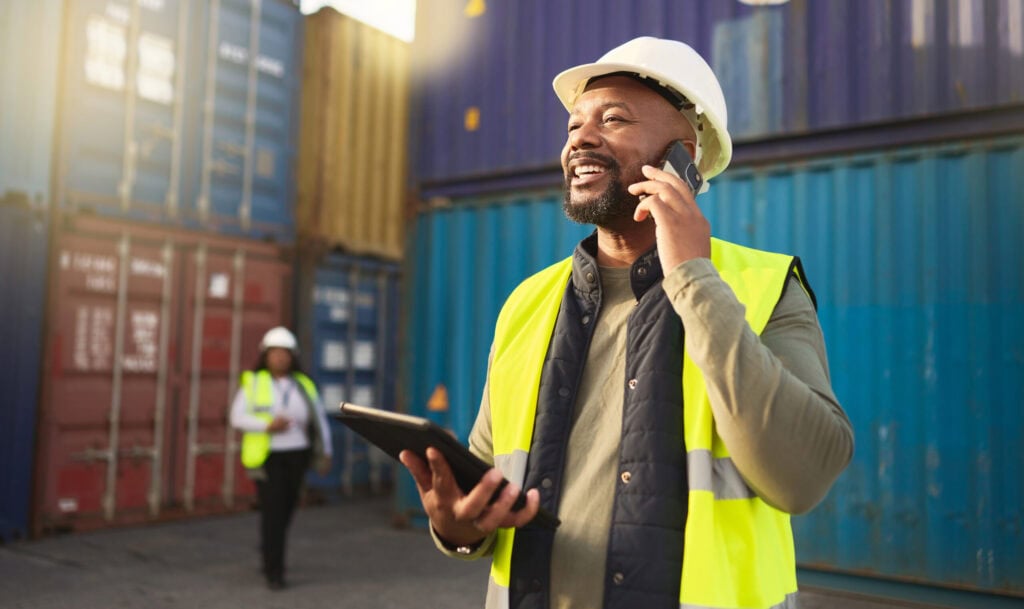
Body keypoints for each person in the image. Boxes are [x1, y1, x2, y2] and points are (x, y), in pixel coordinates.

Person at [400, 36, 854, 609]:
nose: (581, 139)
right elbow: (488, 494)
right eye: (572, 127)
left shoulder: (764, 288)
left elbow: (803, 474)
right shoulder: (528, 303)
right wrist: (457, 528)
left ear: (682, 155)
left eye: (613, 119)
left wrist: (692, 274)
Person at [230, 326, 333, 590]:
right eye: (274, 353)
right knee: (273, 513)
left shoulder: (304, 384)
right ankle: (274, 571)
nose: (279, 358)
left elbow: (319, 420)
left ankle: (268, 548)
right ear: (265, 356)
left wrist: (327, 452)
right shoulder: (253, 383)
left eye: (284, 353)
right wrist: (267, 425)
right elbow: (236, 417)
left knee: (286, 510)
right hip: (269, 458)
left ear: (292, 356)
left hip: (297, 455)